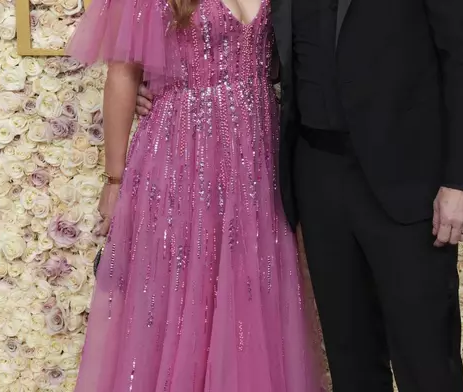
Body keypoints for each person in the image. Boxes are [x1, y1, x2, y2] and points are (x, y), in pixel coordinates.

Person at [137, 0, 463, 391]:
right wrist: (165, 78)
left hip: (409, 176)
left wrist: (462, 180)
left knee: (426, 355)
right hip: (316, 170)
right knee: (349, 354)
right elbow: (259, 44)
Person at [65, 0, 323, 390]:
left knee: (252, 290)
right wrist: (114, 180)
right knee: (183, 294)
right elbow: (121, 73)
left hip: (258, 159)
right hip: (182, 157)